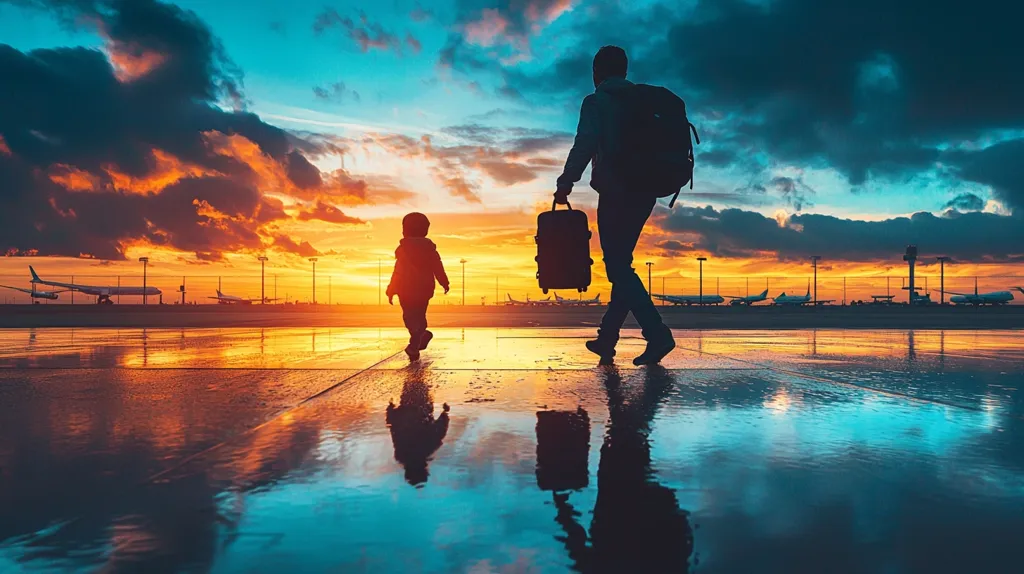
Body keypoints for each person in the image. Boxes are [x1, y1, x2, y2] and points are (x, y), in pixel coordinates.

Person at [554, 45, 676, 366]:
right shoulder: (644, 100)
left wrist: (567, 180)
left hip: (616, 191)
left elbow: (586, 142)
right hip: (646, 191)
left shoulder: (597, 101)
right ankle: (607, 338)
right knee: (621, 265)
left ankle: (657, 333)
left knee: (618, 266)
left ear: (597, 72)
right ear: (624, 69)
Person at [387, 212, 450, 360]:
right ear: (426, 230)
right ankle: (420, 337)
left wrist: (391, 289)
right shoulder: (430, 249)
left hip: (405, 290)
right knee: (420, 316)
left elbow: (398, 271)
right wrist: (444, 282)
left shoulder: (402, 250)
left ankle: (416, 341)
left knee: (409, 317)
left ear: (404, 230)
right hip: (424, 289)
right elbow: (438, 267)